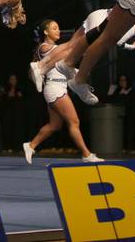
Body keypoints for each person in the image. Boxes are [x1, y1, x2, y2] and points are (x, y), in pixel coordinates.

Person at [30, 8, 135, 92]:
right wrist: (131, 46)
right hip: (101, 22)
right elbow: (119, 40)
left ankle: (41, 65)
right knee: (76, 50)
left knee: (70, 45)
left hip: (98, 14)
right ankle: (43, 69)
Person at [23, 19, 103, 164]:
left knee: (55, 125)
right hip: (55, 89)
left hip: (56, 88)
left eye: (58, 28)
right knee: (74, 122)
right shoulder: (44, 48)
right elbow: (71, 50)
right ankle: (86, 155)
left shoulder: (57, 49)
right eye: (54, 28)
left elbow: (67, 63)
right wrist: (87, 33)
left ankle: (31, 145)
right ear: (45, 32)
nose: (58, 31)